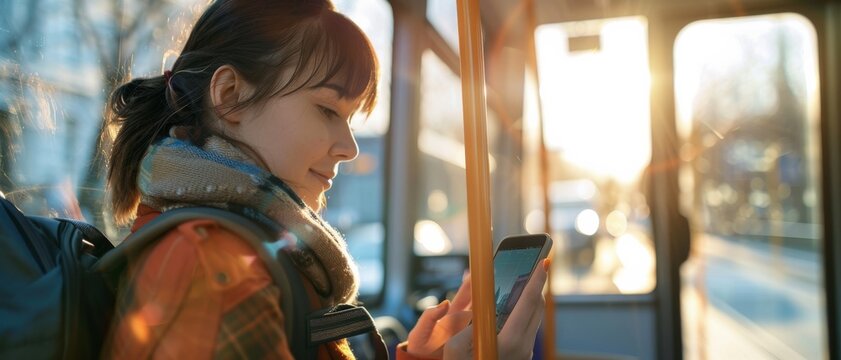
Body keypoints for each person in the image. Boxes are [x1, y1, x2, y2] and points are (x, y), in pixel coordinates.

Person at [103, 0, 547, 358]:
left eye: (350, 118)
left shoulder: (249, 251)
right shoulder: (212, 274)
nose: (350, 147)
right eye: (327, 110)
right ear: (230, 97)